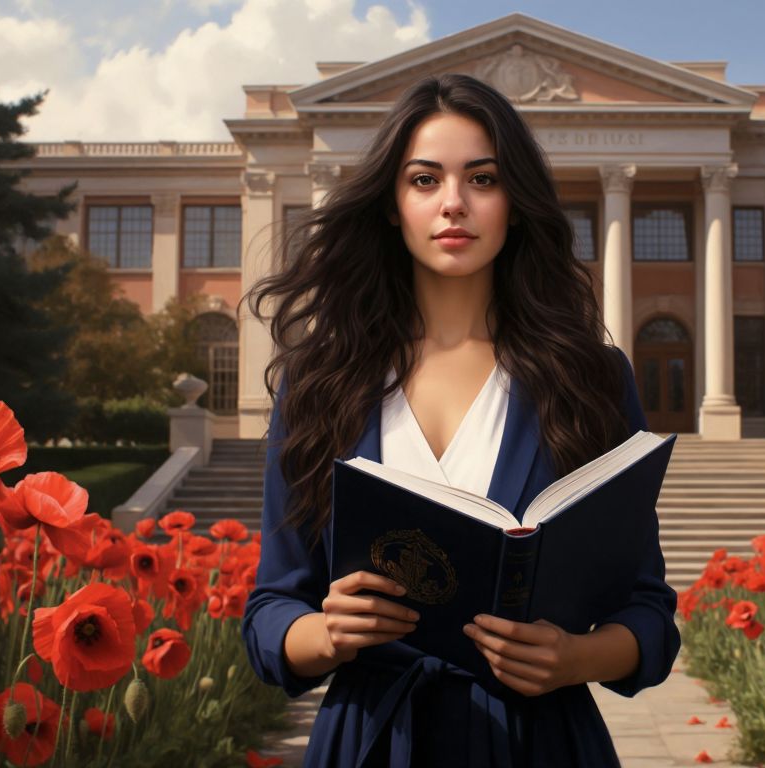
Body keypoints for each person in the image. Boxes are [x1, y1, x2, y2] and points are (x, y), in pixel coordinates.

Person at [240, 73, 679, 767]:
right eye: (424, 181)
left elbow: (649, 612)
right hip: (371, 740)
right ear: (391, 205)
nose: (453, 204)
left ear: (516, 202)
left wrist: (576, 657)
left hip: (541, 741)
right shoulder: (320, 382)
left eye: (482, 179)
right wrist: (326, 633)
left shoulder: (592, 378)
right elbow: (270, 612)